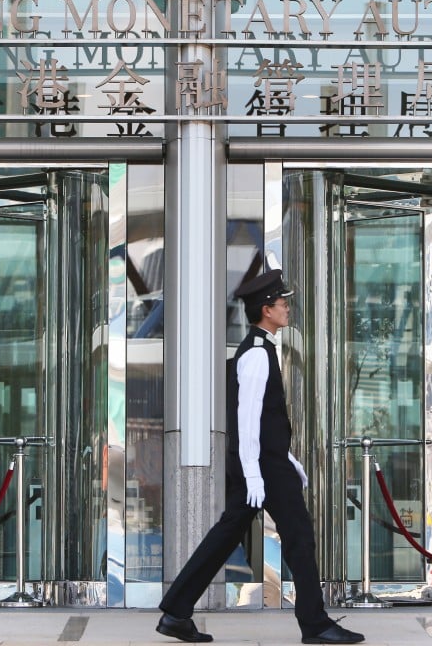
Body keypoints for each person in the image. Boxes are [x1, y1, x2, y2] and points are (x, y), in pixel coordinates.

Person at [156, 270, 365, 645]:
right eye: (282, 303)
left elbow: (264, 419)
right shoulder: (256, 354)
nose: (287, 308)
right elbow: (247, 419)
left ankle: (176, 611)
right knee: (299, 537)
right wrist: (255, 473)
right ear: (266, 309)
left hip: (267, 462)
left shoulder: (261, 349)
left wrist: (287, 458)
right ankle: (315, 624)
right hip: (264, 467)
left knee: (227, 535)